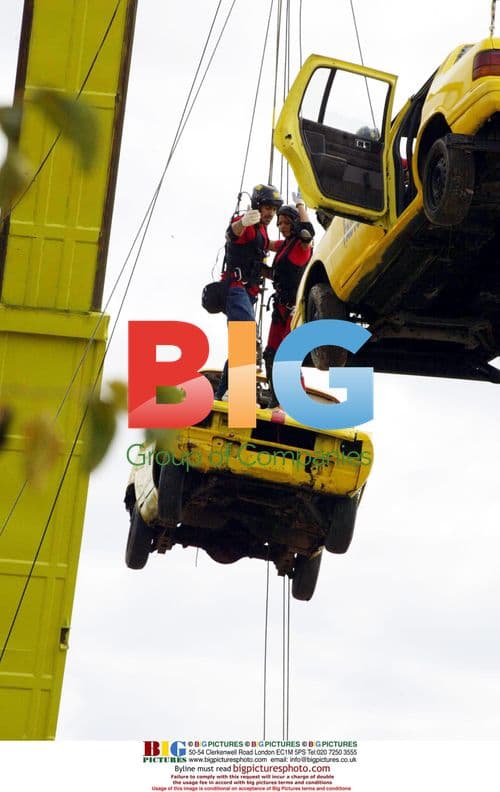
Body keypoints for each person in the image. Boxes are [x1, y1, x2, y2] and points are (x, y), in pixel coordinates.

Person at [214, 184, 283, 400]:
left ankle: (223, 393)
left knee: (240, 340)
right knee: (246, 334)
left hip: (247, 292)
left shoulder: (261, 230)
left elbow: (268, 245)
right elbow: (231, 234)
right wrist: (242, 222)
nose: (271, 213)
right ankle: (237, 391)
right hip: (235, 288)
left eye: (274, 209)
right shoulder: (249, 223)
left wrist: (292, 243)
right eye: (268, 208)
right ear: (257, 205)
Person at [262, 191, 314, 407]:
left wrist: (301, 205)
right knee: (270, 354)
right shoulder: (284, 247)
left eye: (285, 223)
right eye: (279, 223)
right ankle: (276, 399)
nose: (281, 226)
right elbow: (266, 245)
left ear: (293, 224)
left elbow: (308, 232)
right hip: (280, 308)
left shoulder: (301, 246)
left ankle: (295, 398)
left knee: (287, 356)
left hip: (294, 309)